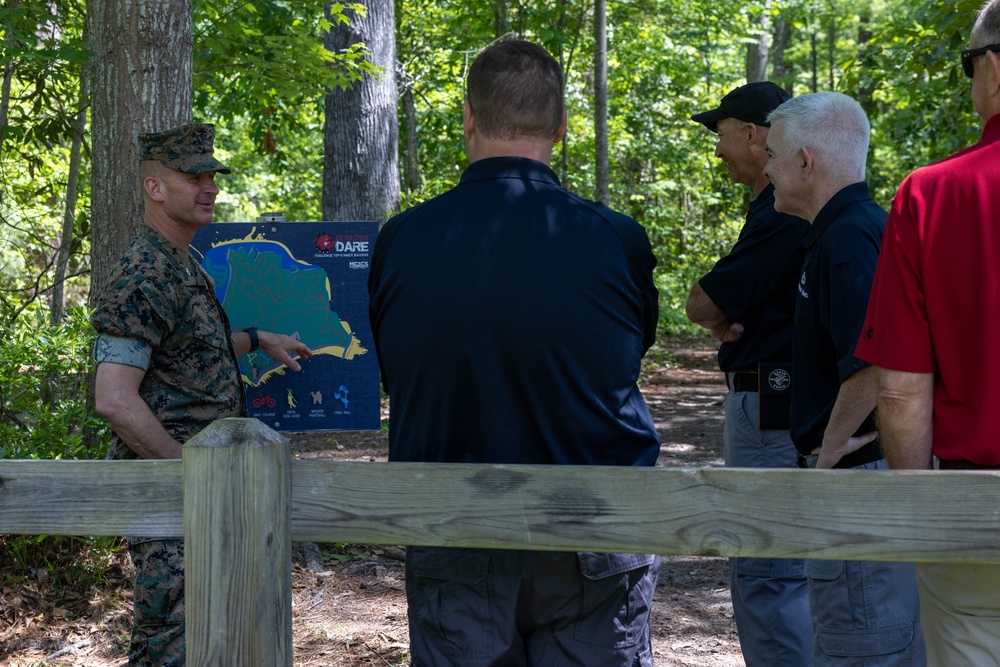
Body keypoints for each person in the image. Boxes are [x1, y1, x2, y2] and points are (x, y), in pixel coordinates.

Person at [368, 40, 660, 667]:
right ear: (560, 126)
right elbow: (627, 357)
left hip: (455, 529)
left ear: (468, 117)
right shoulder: (615, 239)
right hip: (595, 530)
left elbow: (400, 376)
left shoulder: (403, 241)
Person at [90, 123, 312, 667]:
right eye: (194, 176)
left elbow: (189, 351)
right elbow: (115, 398)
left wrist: (258, 339)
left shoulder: (180, 260)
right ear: (155, 188)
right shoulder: (143, 270)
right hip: (175, 500)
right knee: (175, 641)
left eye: (211, 175)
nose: (209, 186)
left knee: (219, 631)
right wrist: (188, 475)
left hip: (203, 492)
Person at [853, 1, 1000, 663]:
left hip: (972, 516)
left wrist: (919, 518)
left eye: (968, 65)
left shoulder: (929, 197)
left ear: (992, 69)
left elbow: (903, 392)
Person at [761, 92, 925, 666]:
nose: (766, 168)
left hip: (858, 483)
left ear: (807, 162)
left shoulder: (850, 238)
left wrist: (828, 443)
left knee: (862, 647)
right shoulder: (853, 228)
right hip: (865, 479)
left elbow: (876, 360)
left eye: (775, 155)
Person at [686, 82, 812, 667]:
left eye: (721, 132)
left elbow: (701, 304)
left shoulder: (783, 217)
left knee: (767, 570)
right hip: (780, 402)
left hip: (771, 407)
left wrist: (716, 316)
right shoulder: (779, 210)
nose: (716, 150)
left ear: (752, 133)